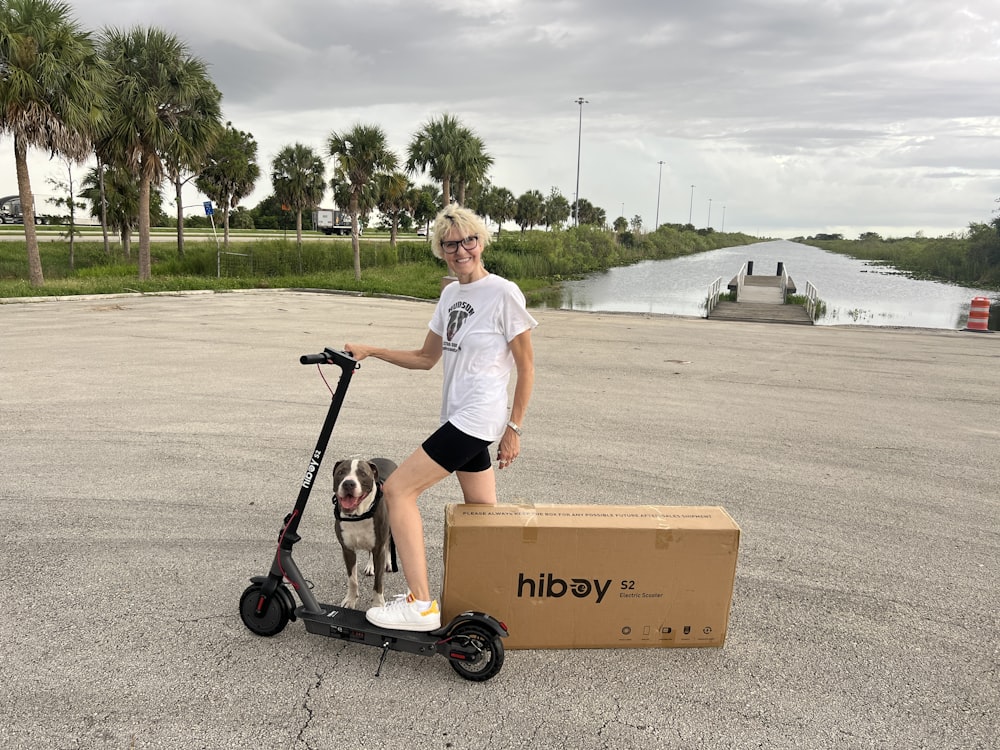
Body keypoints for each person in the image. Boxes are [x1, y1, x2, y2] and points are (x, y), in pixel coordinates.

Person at [344, 205, 537, 631]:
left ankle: (420, 603)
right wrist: (371, 350)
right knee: (482, 512)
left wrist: (514, 428)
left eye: (468, 240)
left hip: (478, 417)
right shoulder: (450, 294)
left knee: (396, 490)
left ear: (481, 242)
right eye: (451, 243)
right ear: (442, 250)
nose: (461, 249)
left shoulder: (504, 293)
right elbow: (426, 358)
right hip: (458, 415)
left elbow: (526, 367)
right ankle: (494, 591)